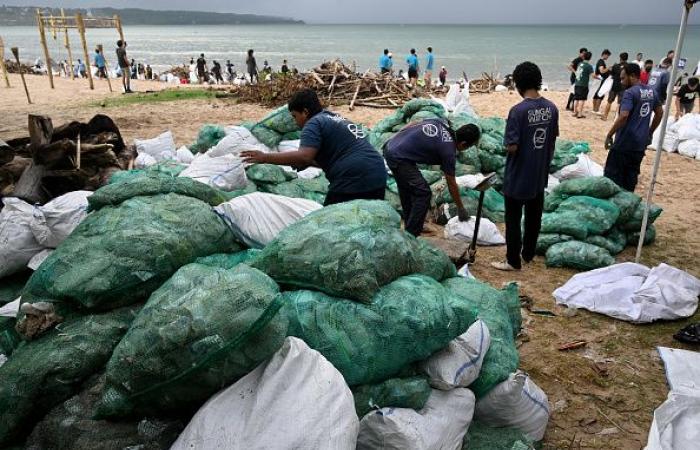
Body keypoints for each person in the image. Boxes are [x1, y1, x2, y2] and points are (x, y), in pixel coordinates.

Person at [241, 89, 387, 205]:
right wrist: (308, 162)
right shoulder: (332, 117)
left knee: (330, 223)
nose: (296, 122)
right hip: (377, 173)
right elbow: (336, 155)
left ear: (305, 112)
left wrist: (265, 157)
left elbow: (304, 156)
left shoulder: (313, 123)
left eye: (295, 116)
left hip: (353, 176)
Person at [491, 61, 559, 272]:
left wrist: (506, 147)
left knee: (513, 220)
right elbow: (553, 139)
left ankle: (513, 260)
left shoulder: (518, 111)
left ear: (518, 84)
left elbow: (512, 146)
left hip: (518, 174)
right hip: (539, 174)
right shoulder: (551, 108)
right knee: (533, 217)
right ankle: (528, 253)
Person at [384, 120, 480, 237]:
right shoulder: (449, 151)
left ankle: (410, 225)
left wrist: (397, 138)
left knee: (406, 188)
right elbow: (451, 183)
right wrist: (460, 208)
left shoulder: (439, 123)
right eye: (468, 147)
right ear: (463, 144)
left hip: (391, 146)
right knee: (423, 193)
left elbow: (413, 123)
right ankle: (411, 235)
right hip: (399, 158)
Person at [604, 63, 663, 192]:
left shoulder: (629, 93)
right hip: (639, 144)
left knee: (612, 178)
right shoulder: (651, 91)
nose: (621, 81)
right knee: (630, 178)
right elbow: (660, 112)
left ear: (633, 76)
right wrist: (650, 132)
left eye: (623, 78)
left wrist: (609, 134)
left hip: (624, 143)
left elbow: (624, 115)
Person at [601, 52, 629, 121]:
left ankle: (605, 116)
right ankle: (616, 118)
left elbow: (611, 75)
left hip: (614, 86)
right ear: (627, 58)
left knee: (609, 101)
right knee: (619, 103)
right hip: (623, 86)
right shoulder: (628, 66)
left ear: (620, 58)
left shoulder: (615, 66)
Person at [573, 51, 593, 119]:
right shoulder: (589, 66)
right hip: (583, 85)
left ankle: (575, 112)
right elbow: (592, 75)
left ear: (584, 57)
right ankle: (580, 114)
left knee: (576, 98)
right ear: (590, 58)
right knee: (582, 99)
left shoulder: (579, 64)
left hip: (577, 83)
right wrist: (598, 77)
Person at [592, 49, 611, 113]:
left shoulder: (599, 61)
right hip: (601, 80)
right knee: (600, 95)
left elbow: (596, 73)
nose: (608, 57)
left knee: (596, 95)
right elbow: (602, 71)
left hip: (598, 79)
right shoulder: (601, 62)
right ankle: (596, 110)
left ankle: (594, 109)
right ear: (604, 54)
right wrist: (608, 68)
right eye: (608, 56)